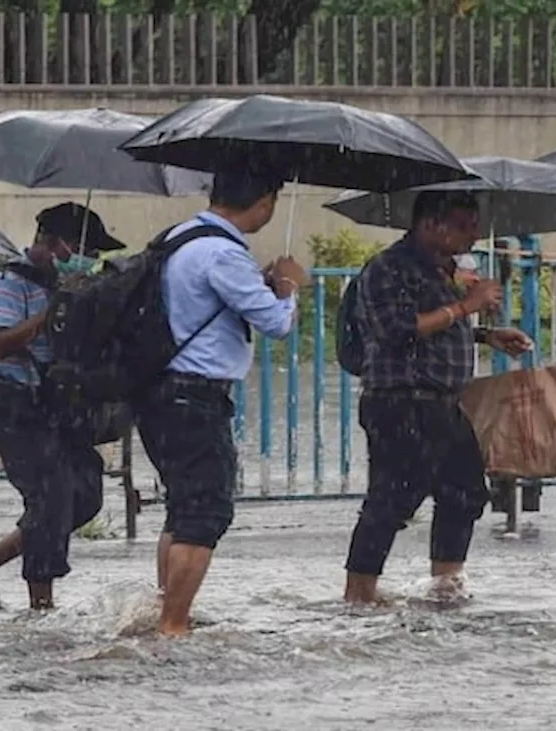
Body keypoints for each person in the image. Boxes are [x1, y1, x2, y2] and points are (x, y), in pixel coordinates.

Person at [136, 168, 305, 637]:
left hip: (159, 392)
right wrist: (288, 286)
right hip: (195, 396)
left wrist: (261, 278)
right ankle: (172, 625)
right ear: (266, 202)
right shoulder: (223, 252)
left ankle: (167, 611)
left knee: (183, 506)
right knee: (205, 511)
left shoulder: (181, 237)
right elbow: (275, 322)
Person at [344, 191, 534, 606]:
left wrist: (487, 334)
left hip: (444, 400)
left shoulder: (444, 269)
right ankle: (359, 590)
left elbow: (441, 325)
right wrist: (468, 306)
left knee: (464, 491)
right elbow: (397, 330)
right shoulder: (389, 268)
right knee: (392, 498)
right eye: (463, 225)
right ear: (431, 224)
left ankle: (446, 582)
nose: (473, 235)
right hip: (400, 399)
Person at [0, 202, 125, 611]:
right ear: (55, 244)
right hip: (16, 403)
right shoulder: (9, 282)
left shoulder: (72, 284)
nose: (90, 260)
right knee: (50, 498)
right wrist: (48, 314)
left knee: (85, 495)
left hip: (58, 405)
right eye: (85, 250)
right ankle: (42, 606)